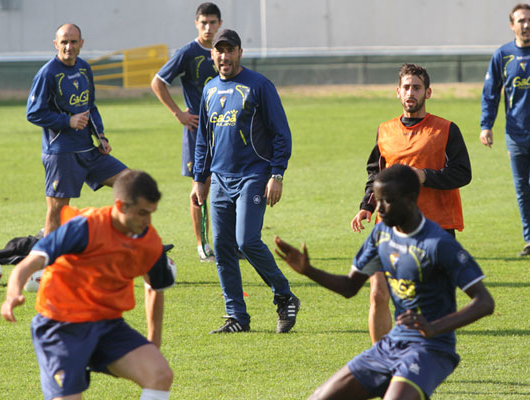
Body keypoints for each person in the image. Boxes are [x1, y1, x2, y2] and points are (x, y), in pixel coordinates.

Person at [275, 164, 494, 400]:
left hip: (430, 349)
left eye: (387, 201)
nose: (379, 208)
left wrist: (434, 327)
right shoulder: (382, 235)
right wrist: (308, 271)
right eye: (377, 200)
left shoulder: (438, 243)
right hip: (391, 345)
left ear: (410, 199)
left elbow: (484, 302)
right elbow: (350, 287)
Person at [1, 169, 175, 400]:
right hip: (60, 327)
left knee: (159, 374)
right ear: (121, 205)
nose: (148, 221)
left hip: (108, 327)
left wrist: (153, 342)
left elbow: (155, 287)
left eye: (151, 213)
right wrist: (13, 294)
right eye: (142, 213)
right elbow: (29, 263)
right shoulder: (86, 226)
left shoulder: (149, 241)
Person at [351, 63, 472, 343]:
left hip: (435, 227)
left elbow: (463, 173)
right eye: (406, 87)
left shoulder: (446, 130)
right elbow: (376, 172)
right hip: (391, 226)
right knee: (379, 293)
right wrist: (367, 205)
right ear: (397, 92)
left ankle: (428, 355)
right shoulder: (385, 130)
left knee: (427, 303)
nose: (411, 92)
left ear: (427, 92)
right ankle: (381, 359)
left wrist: (425, 176)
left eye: (416, 87)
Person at [191, 29, 300, 334]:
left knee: (246, 241)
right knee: (222, 248)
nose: (224, 57)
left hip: (254, 175)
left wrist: (277, 174)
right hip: (220, 180)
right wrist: (200, 179)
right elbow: (203, 139)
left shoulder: (259, 85)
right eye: (219, 51)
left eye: (229, 51)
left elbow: (281, 133)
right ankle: (237, 316)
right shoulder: (210, 89)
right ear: (212, 55)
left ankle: (283, 294)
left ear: (240, 53)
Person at [27, 23, 129, 237]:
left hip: (89, 150)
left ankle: (122, 239)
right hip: (61, 153)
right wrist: (68, 121)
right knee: (57, 210)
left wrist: (100, 135)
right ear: (56, 44)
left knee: (131, 183)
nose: (68, 47)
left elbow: (90, 106)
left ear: (81, 43)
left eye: (73, 42)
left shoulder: (84, 68)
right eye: (64, 42)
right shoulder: (47, 74)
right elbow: (34, 113)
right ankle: (49, 262)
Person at [151, 3, 222, 262]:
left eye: (212, 23)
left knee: (229, 186)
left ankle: (232, 243)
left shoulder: (223, 51)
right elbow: (157, 82)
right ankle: (202, 244)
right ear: (196, 24)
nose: (208, 27)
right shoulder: (188, 53)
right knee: (200, 188)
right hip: (198, 132)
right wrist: (178, 113)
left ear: (219, 24)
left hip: (225, 128)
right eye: (203, 22)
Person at [481, 3, 530, 256]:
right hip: (516, 135)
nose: (526, 24)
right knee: (522, 188)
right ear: (512, 25)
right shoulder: (503, 55)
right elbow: (491, 94)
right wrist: (485, 126)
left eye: (529, 20)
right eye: (521, 20)